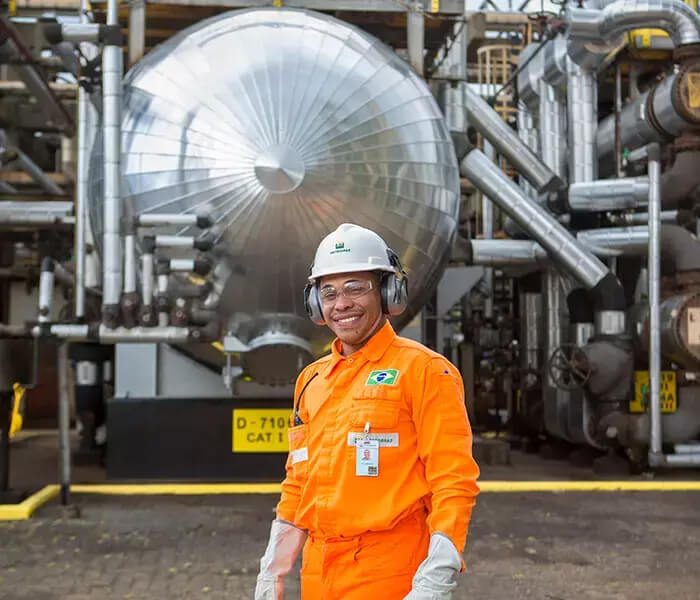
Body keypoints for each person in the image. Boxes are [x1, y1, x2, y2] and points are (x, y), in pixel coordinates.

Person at [255, 223, 480, 600]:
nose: (340, 303)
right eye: (328, 292)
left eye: (355, 287)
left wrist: (437, 574)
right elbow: (298, 484)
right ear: (316, 305)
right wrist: (272, 568)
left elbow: (453, 482)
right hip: (319, 575)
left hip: (390, 577)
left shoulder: (425, 371)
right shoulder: (311, 380)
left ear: (388, 292)